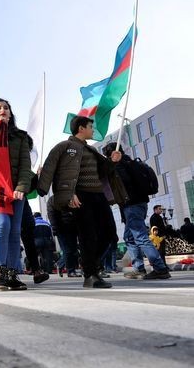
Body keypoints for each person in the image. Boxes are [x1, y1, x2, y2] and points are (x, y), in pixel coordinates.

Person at [37, 116, 126, 289]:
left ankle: (88, 262)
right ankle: (90, 275)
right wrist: (68, 194)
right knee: (87, 236)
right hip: (80, 196)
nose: (93, 130)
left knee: (110, 234)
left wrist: (112, 162)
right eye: (91, 126)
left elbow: (103, 171)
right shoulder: (64, 147)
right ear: (81, 128)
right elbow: (51, 169)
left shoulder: (91, 150)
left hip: (98, 196)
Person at [102, 143, 170, 280]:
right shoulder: (132, 162)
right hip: (140, 204)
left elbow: (125, 183)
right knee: (129, 237)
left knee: (140, 237)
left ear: (111, 154)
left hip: (131, 205)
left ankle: (160, 268)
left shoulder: (121, 165)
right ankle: (139, 268)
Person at [0, 99, 33, 290]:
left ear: (10, 114)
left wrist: (21, 186)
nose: (3, 110)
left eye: (6, 108)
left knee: (15, 231)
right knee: (2, 225)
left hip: (16, 190)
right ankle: (1, 272)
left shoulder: (20, 137)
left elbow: (25, 164)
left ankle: (13, 274)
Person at [47, 196, 82, 277]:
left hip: (72, 227)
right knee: (67, 250)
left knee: (73, 250)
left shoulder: (71, 196)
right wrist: (55, 228)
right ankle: (70, 271)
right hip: (61, 229)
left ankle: (61, 265)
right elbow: (51, 214)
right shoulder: (53, 199)